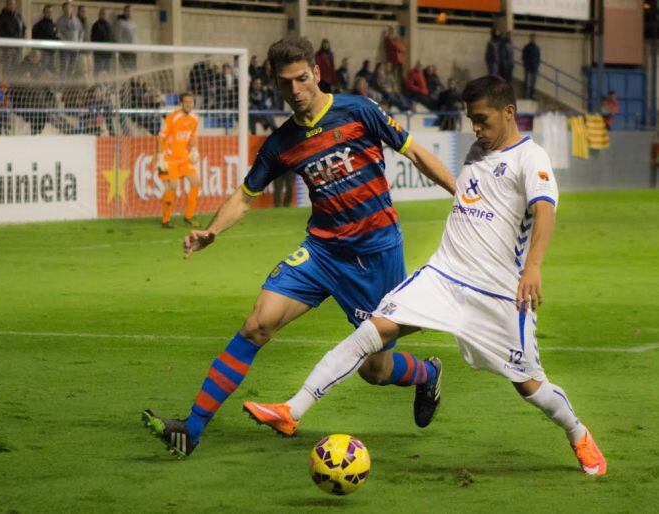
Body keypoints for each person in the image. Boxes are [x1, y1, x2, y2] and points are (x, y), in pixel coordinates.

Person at [244, 75, 607, 477]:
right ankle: (293, 410)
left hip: (497, 294)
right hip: (444, 276)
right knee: (372, 330)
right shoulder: (476, 151)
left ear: (509, 113)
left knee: (530, 386)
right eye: (472, 119)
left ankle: (577, 433)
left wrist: (534, 266)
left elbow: (544, 210)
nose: (476, 128)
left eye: (483, 119)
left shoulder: (531, 157)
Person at [142, 36, 456, 458]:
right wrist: (212, 231)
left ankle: (425, 373)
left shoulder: (359, 110)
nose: (295, 91)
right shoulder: (281, 143)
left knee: (375, 369)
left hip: (376, 255)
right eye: (285, 83)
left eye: (301, 79)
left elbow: (415, 153)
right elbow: (245, 194)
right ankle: (192, 428)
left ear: (317, 73)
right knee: (257, 324)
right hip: (322, 251)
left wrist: (462, 193)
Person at [156, 92, 201, 229]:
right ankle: (166, 219)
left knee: (195, 182)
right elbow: (161, 137)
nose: (189, 104)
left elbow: (192, 136)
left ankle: (188, 216)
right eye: (186, 102)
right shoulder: (172, 118)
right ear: (181, 103)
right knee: (173, 186)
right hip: (169, 159)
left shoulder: (195, 118)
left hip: (184, 157)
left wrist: (194, 150)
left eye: (191, 102)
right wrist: (160, 157)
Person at [0, 0, 26, 71]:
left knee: (17, 67)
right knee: (7, 67)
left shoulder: (19, 17)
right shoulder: (1, 17)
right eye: (10, 4)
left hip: (18, 47)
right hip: (7, 48)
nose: (12, 6)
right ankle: (6, 82)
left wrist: (22, 38)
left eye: (13, 4)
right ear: (6, 5)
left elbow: (23, 29)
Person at [56, 1, 83, 77]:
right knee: (64, 67)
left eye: (69, 8)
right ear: (63, 9)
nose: (68, 10)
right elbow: (59, 34)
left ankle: (68, 86)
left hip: (75, 49)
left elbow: (81, 32)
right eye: (66, 8)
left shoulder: (76, 20)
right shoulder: (60, 21)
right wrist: (67, 43)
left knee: (72, 68)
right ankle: (63, 85)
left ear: (72, 9)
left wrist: (79, 43)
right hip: (65, 49)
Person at [31, 5, 59, 73]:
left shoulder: (54, 25)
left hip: (52, 52)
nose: (49, 14)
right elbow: (35, 39)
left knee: (52, 70)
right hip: (43, 52)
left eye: (51, 12)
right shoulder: (38, 25)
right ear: (44, 13)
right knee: (42, 70)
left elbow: (55, 37)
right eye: (47, 12)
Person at [114, 5, 137, 70]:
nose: (129, 13)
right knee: (127, 70)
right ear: (124, 12)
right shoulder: (120, 23)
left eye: (130, 11)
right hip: (125, 51)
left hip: (133, 51)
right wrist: (122, 49)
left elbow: (134, 36)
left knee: (133, 70)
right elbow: (117, 37)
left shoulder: (133, 23)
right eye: (127, 11)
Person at [522, 34, 541, 100]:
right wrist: (526, 65)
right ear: (530, 38)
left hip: (534, 68)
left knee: (533, 83)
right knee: (527, 83)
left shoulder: (537, 48)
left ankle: (532, 95)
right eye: (532, 38)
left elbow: (538, 58)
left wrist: (537, 66)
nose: (533, 39)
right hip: (528, 68)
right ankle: (527, 95)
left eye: (534, 38)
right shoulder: (527, 47)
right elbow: (524, 57)